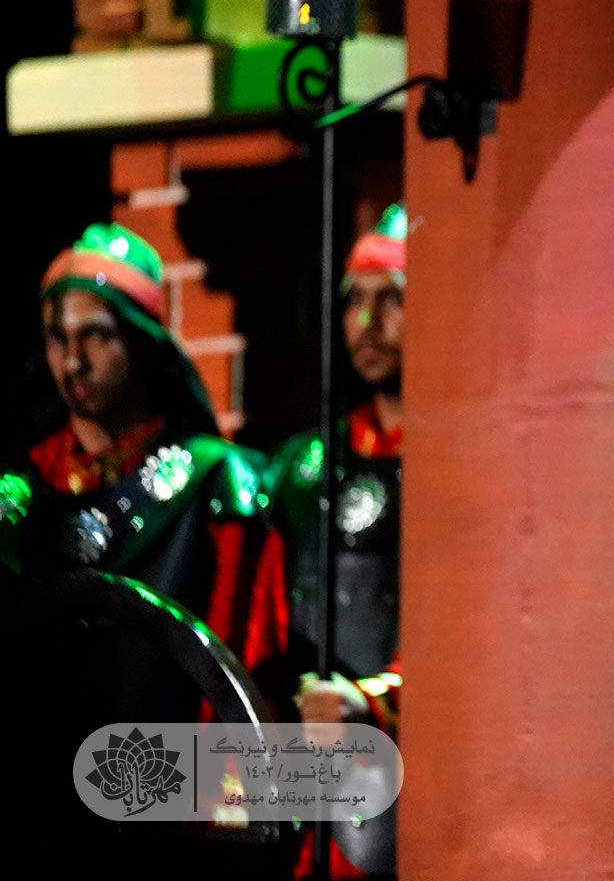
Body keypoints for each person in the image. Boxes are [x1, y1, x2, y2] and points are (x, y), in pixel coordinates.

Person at [0, 222, 287, 706]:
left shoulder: (215, 483)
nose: (73, 362)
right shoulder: (20, 490)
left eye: (96, 335)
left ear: (143, 338)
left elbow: (241, 677)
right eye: (57, 338)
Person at [266, 204, 406, 878]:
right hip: (300, 766)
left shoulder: (455, 460)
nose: (367, 322)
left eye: (392, 300)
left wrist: (373, 699)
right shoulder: (302, 464)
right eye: (356, 301)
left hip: (402, 763)